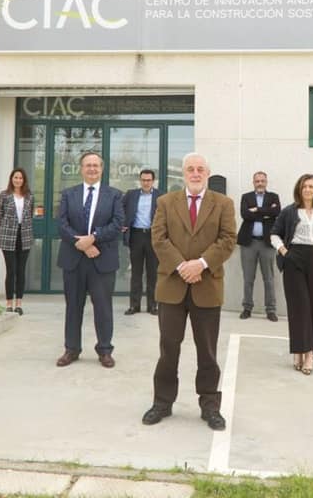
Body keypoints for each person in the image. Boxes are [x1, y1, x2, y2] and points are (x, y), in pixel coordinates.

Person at [142, 152, 236, 431]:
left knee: (207, 352)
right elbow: (158, 238)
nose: (195, 173)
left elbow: (228, 239)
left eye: (200, 169)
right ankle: (162, 403)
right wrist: (182, 266)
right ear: (183, 174)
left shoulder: (223, 204)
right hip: (172, 286)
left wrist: (201, 264)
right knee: (168, 349)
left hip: (207, 287)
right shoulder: (165, 202)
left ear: (207, 173)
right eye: (190, 169)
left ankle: (210, 406)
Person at [56, 151, 124, 369]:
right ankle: (71, 349)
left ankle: (105, 350)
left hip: (102, 260)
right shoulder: (69, 194)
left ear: (102, 169)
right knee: (73, 307)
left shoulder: (114, 195)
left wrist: (93, 238)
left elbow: (117, 224)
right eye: (88, 165)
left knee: (103, 308)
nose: (92, 169)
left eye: (96, 165)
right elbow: (62, 224)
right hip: (74, 259)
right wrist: (83, 244)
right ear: (81, 169)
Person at [270, 174, 313, 376]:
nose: (307, 190)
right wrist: (284, 252)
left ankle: (309, 354)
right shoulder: (289, 211)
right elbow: (274, 234)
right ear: (299, 189)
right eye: (304, 186)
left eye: (311, 186)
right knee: (299, 307)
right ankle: (298, 350)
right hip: (294, 257)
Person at [237, 171, 281, 322]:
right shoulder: (246, 197)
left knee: (269, 278)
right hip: (248, 243)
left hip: (267, 243)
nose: (260, 183)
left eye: (262, 181)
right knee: (248, 278)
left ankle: (271, 310)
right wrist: (266, 213)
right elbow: (245, 215)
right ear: (253, 182)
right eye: (257, 181)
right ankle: (247, 308)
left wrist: (256, 210)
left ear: (266, 182)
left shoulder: (273, 197)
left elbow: (276, 212)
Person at [0, 168, 34, 315]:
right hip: (8, 236)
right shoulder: (4, 195)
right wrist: (4, 229)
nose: (18, 180)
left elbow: (30, 215)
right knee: (10, 270)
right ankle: (9, 303)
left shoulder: (29, 196)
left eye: (20, 178)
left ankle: (19, 303)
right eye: (15, 177)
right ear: (11, 179)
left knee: (21, 270)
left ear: (24, 180)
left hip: (24, 235)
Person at [121, 169, 160, 315]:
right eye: (143, 180)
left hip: (153, 236)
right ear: (140, 180)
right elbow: (119, 208)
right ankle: (134, 306)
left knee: (153, 273)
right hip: (136, 235)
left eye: (148, 180)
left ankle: (152, 306)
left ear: (153, 181)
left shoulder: (160, 196)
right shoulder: (131, 195)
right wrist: (123, 223)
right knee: (136, 272)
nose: (146, 183)